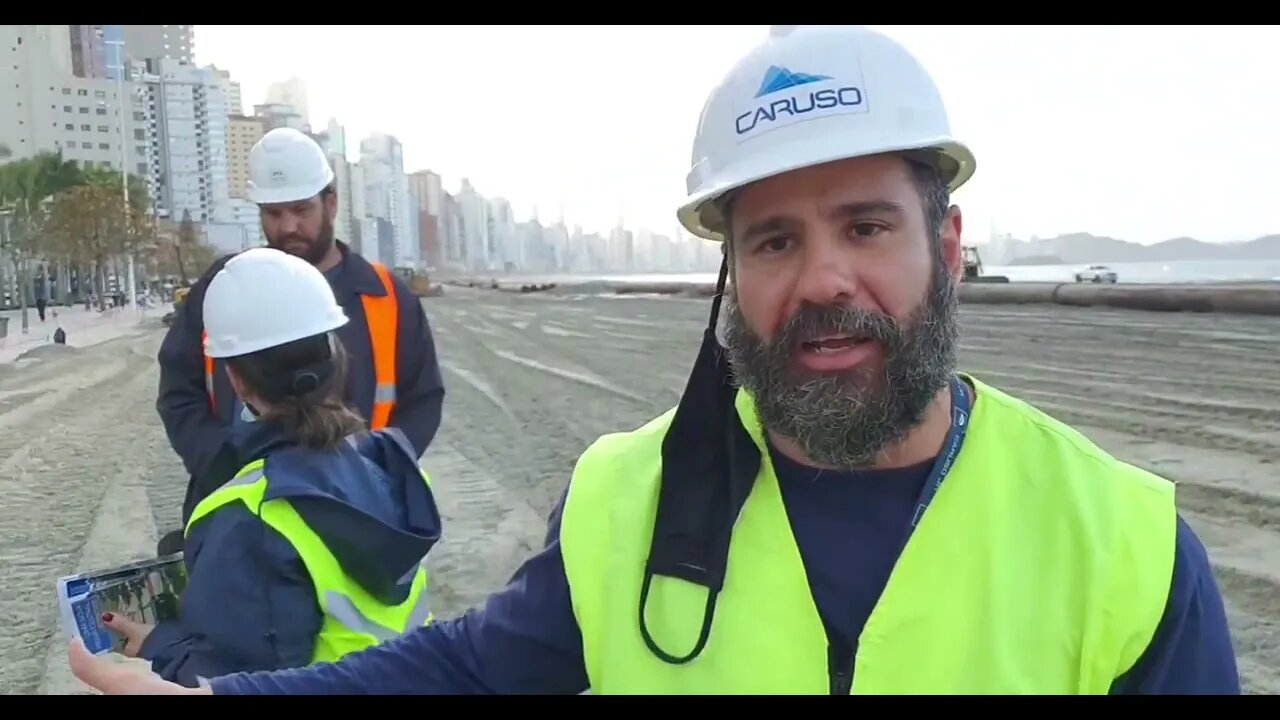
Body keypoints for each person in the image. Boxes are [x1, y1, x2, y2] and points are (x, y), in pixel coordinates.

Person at [69, 24, 1240, 696]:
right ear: (730, 274)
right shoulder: (624, 503)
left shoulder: (1122, 548)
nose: (823, 279)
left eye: (866, 226)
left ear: (946, 243)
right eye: (774, 239)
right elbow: (462, 675)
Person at [100, 246, 442, 688]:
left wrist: (158, 644)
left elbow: (232, 678)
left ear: (237, 380)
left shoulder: (251, 515)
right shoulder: (390, 469)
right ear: (337, 356)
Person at [155, 127, 446, 551]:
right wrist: (222, 464)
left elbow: (422, 400)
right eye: (273, 213)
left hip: (357, 513)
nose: (289, 226)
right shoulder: (222, 288)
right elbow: (179, 391)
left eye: (300, 209)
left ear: (331, 204)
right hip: (235, 509)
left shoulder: (386, 297)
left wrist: (376, 471)